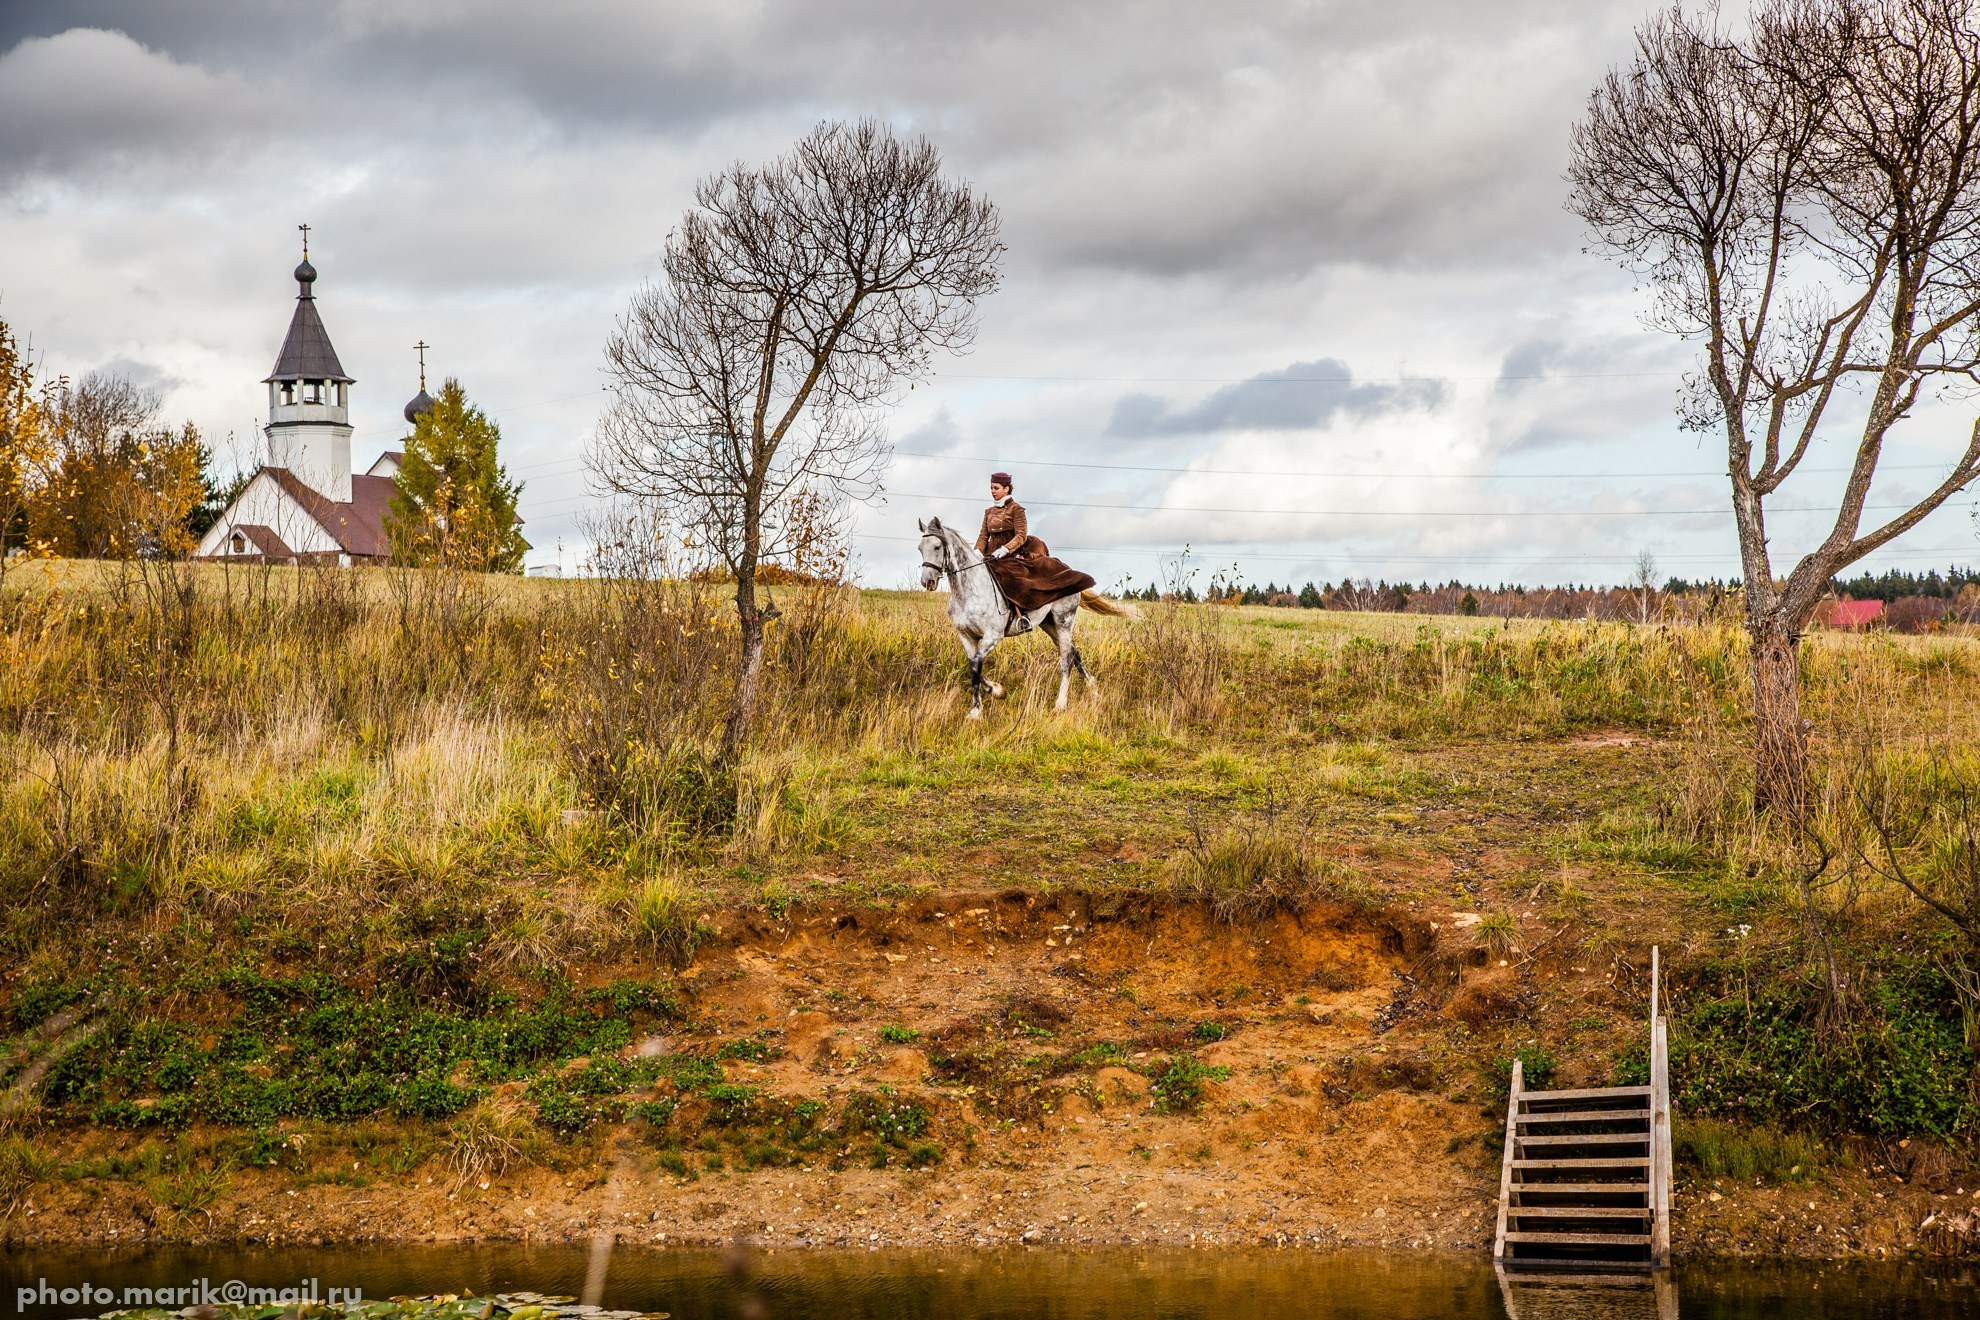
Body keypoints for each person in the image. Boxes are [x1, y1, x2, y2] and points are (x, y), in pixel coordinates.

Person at [975, 471, 1095, 630]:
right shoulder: (988, 512)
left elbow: (1021, 536)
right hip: (991, 555)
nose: (992, 491)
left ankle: (1021, 615)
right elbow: (983, 535)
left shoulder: (1016, 510)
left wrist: (1004, 549)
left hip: (1010, 555)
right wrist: (977, 551)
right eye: (991, 487)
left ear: (1007, 489)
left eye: (996, 488)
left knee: (1015, 579)